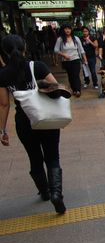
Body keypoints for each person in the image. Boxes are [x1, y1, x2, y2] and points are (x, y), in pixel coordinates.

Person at [0, 34, 69, 214]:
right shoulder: (38, 66)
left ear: (5, 53)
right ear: (25, 48)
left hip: (24, 122)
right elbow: (56, 87)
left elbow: (4, 104)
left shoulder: (3, 74)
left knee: (34, 158)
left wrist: (2, 130)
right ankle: (56, 194)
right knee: (52, 157)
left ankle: (45, 192)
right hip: (46, 119)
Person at [54, 24, 87, 97]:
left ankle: (78, 90)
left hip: (76, 59)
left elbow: (81, 49)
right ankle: (74, 89)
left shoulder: (76, 38)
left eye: (69, 29)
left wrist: (85, 59)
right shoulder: (60, 39)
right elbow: (56, 50)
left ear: (71, 30)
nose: (67, 30)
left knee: (76, 75)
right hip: (66, 61)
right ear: (63, 30)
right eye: (66, 29)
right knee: (70, 76)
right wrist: (64, 55)